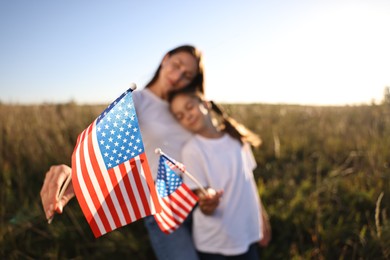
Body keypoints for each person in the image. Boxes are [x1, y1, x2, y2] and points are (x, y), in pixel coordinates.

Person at [40, 44, 205, 260]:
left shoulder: (185, 106)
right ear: (165, 58)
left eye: (187, 75)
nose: (177, 76)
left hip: (198, 196)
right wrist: (73, 176)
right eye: (176, 65)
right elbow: (100, 148)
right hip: (163, 203)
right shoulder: (137, 100)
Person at [167, 87, 272, 259]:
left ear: (205, 104)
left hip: (247, 232)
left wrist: (262, 217)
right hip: (216, 243)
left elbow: (249, 180)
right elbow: (200, 194)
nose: (187, 116)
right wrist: (207, 201)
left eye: (189, 107)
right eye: (180, 116)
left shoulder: (235, 137)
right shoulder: (192, 150)